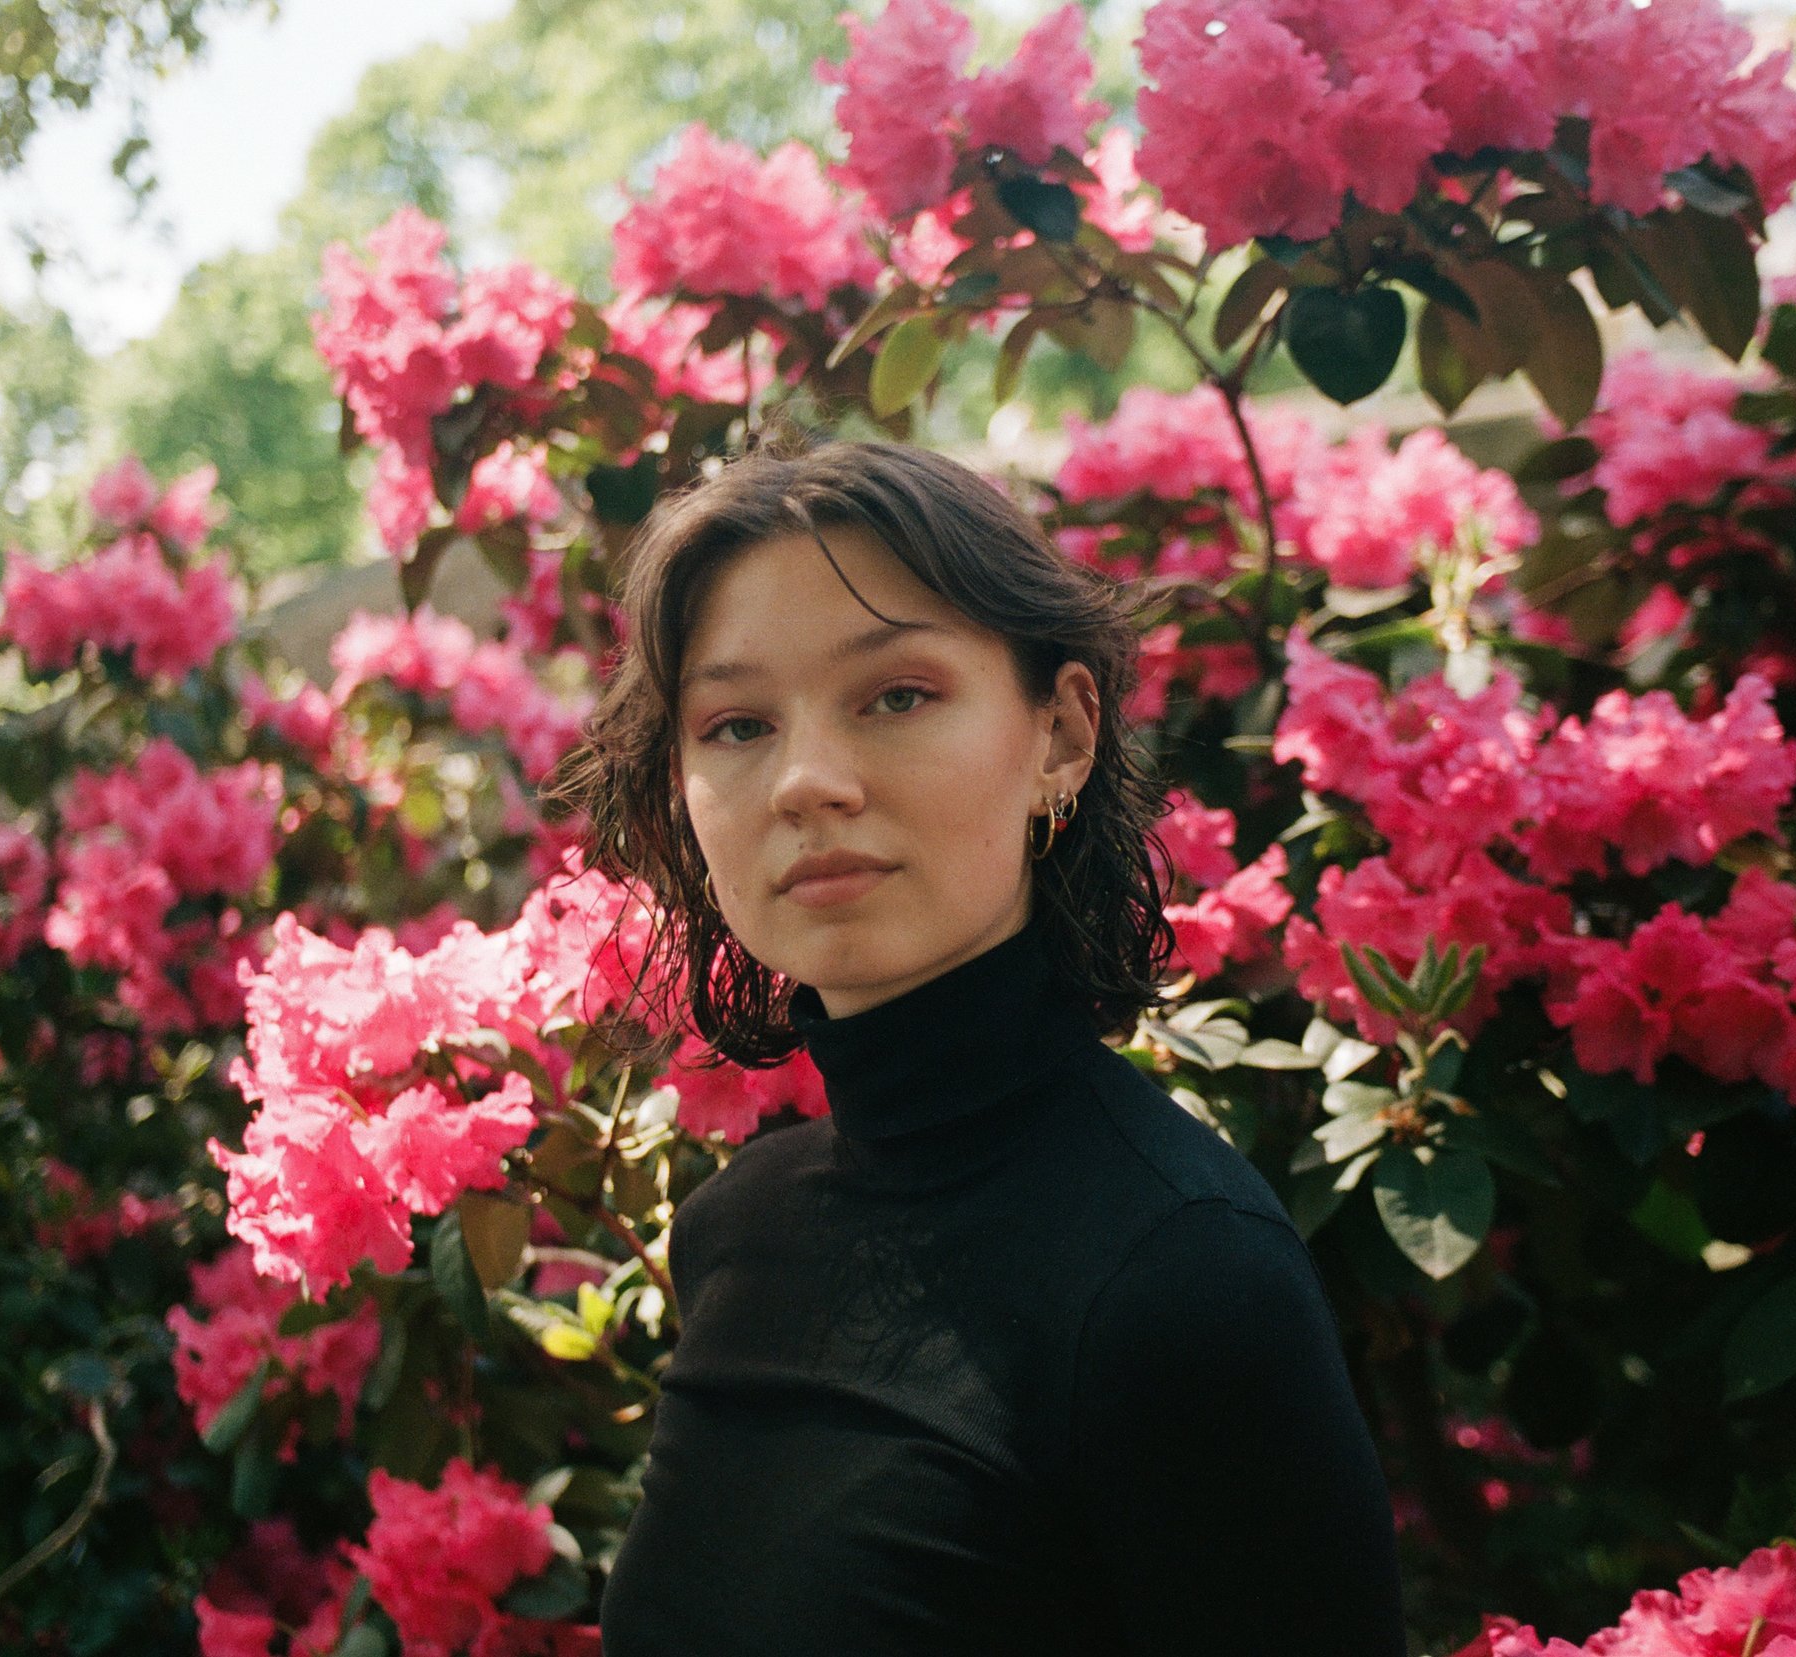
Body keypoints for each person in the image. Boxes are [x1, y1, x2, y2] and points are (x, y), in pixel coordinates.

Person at [544, 435, 1407, 1656]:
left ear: (1058, 733)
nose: (806, 781)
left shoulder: (1182, 1280)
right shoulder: (745, 1225)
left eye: (896, 695)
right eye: (736, 724)